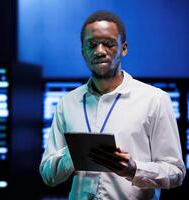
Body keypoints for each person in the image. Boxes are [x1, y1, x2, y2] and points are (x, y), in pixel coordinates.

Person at [39, 10, 186, 199]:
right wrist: (73, 154)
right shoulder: (67, 103)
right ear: (83, 51)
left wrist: (135, 170)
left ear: (124, 48)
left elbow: (176, 172)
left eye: (108, 44)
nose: (100, 51)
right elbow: (47, 175)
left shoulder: (155, 100)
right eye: (92, 45)